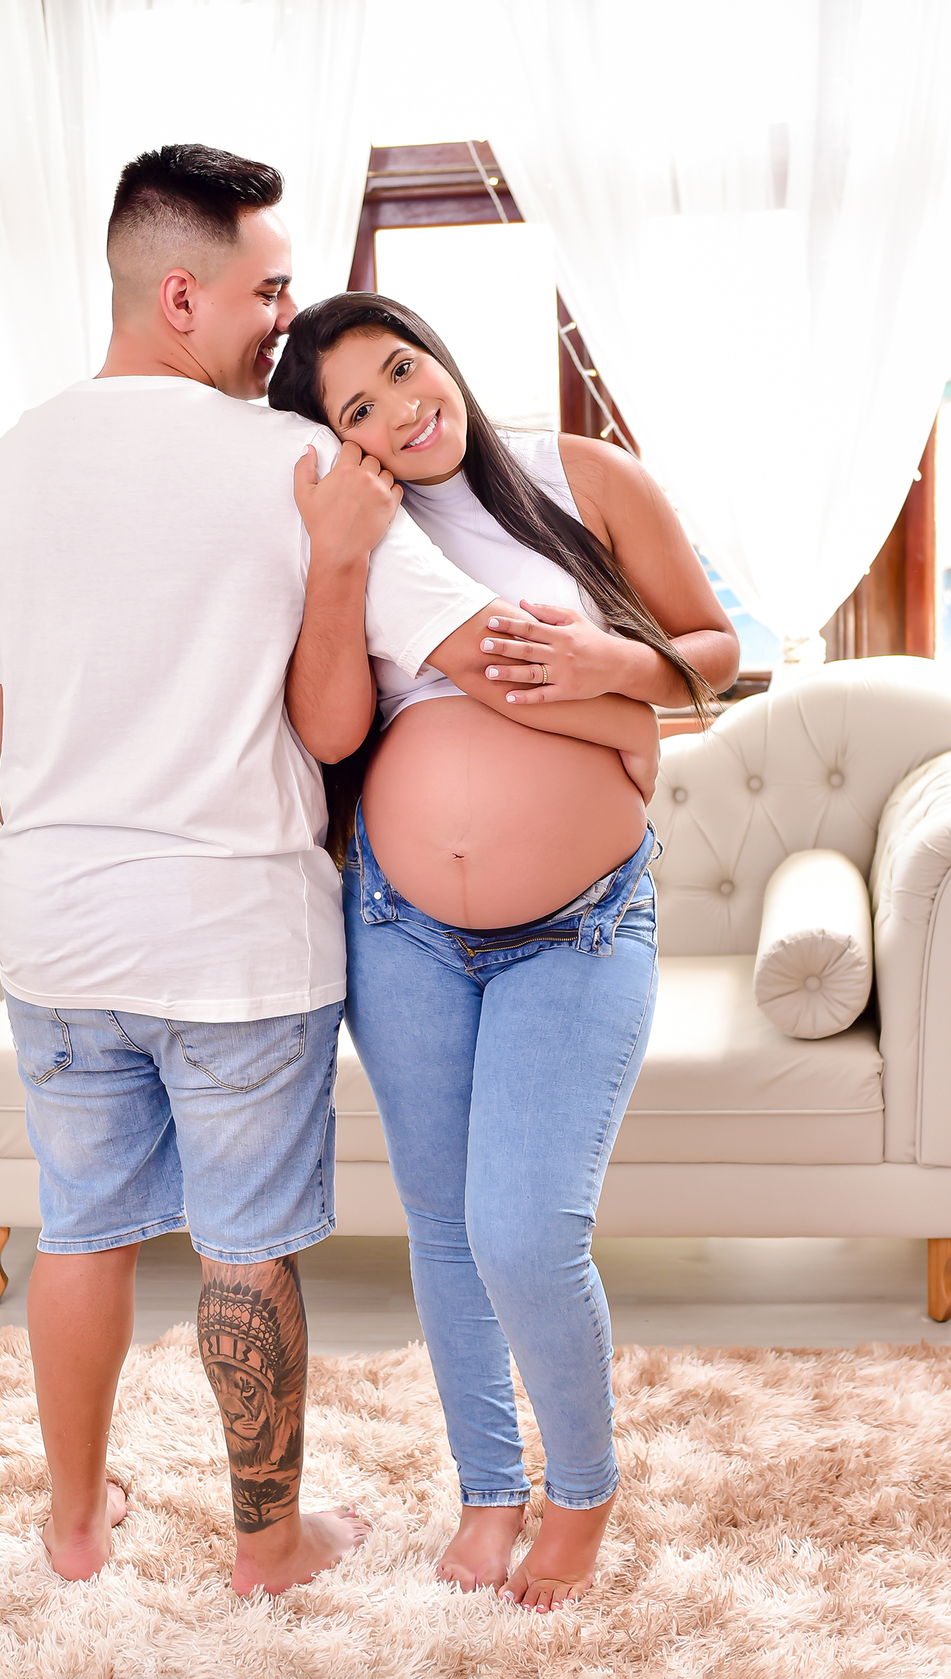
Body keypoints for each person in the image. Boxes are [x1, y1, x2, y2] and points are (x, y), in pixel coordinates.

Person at [0, 144, 639, 1596]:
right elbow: (470, 659)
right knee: (246, 1251)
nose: (284, 319)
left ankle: (75, 1530)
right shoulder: (293, 464)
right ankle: (268, 1548)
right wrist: (647, 710)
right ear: (181, 294)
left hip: (58, 936)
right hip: (235, 938)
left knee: (82, 1233)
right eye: (268, 291)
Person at [269, 293, 740, 1610]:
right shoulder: (359, 535)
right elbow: (328, 730)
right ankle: (489, 1489)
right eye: (358, 409)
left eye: (402, 367)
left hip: (581, 925)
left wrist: (614, 668)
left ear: (439, 352)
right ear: (338, 442)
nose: (402, 410)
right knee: (442, 1226)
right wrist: (340, 562)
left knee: (524, 1232)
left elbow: (712, 652)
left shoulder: (581, 477)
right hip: (402, 928)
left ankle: (581, 1491)